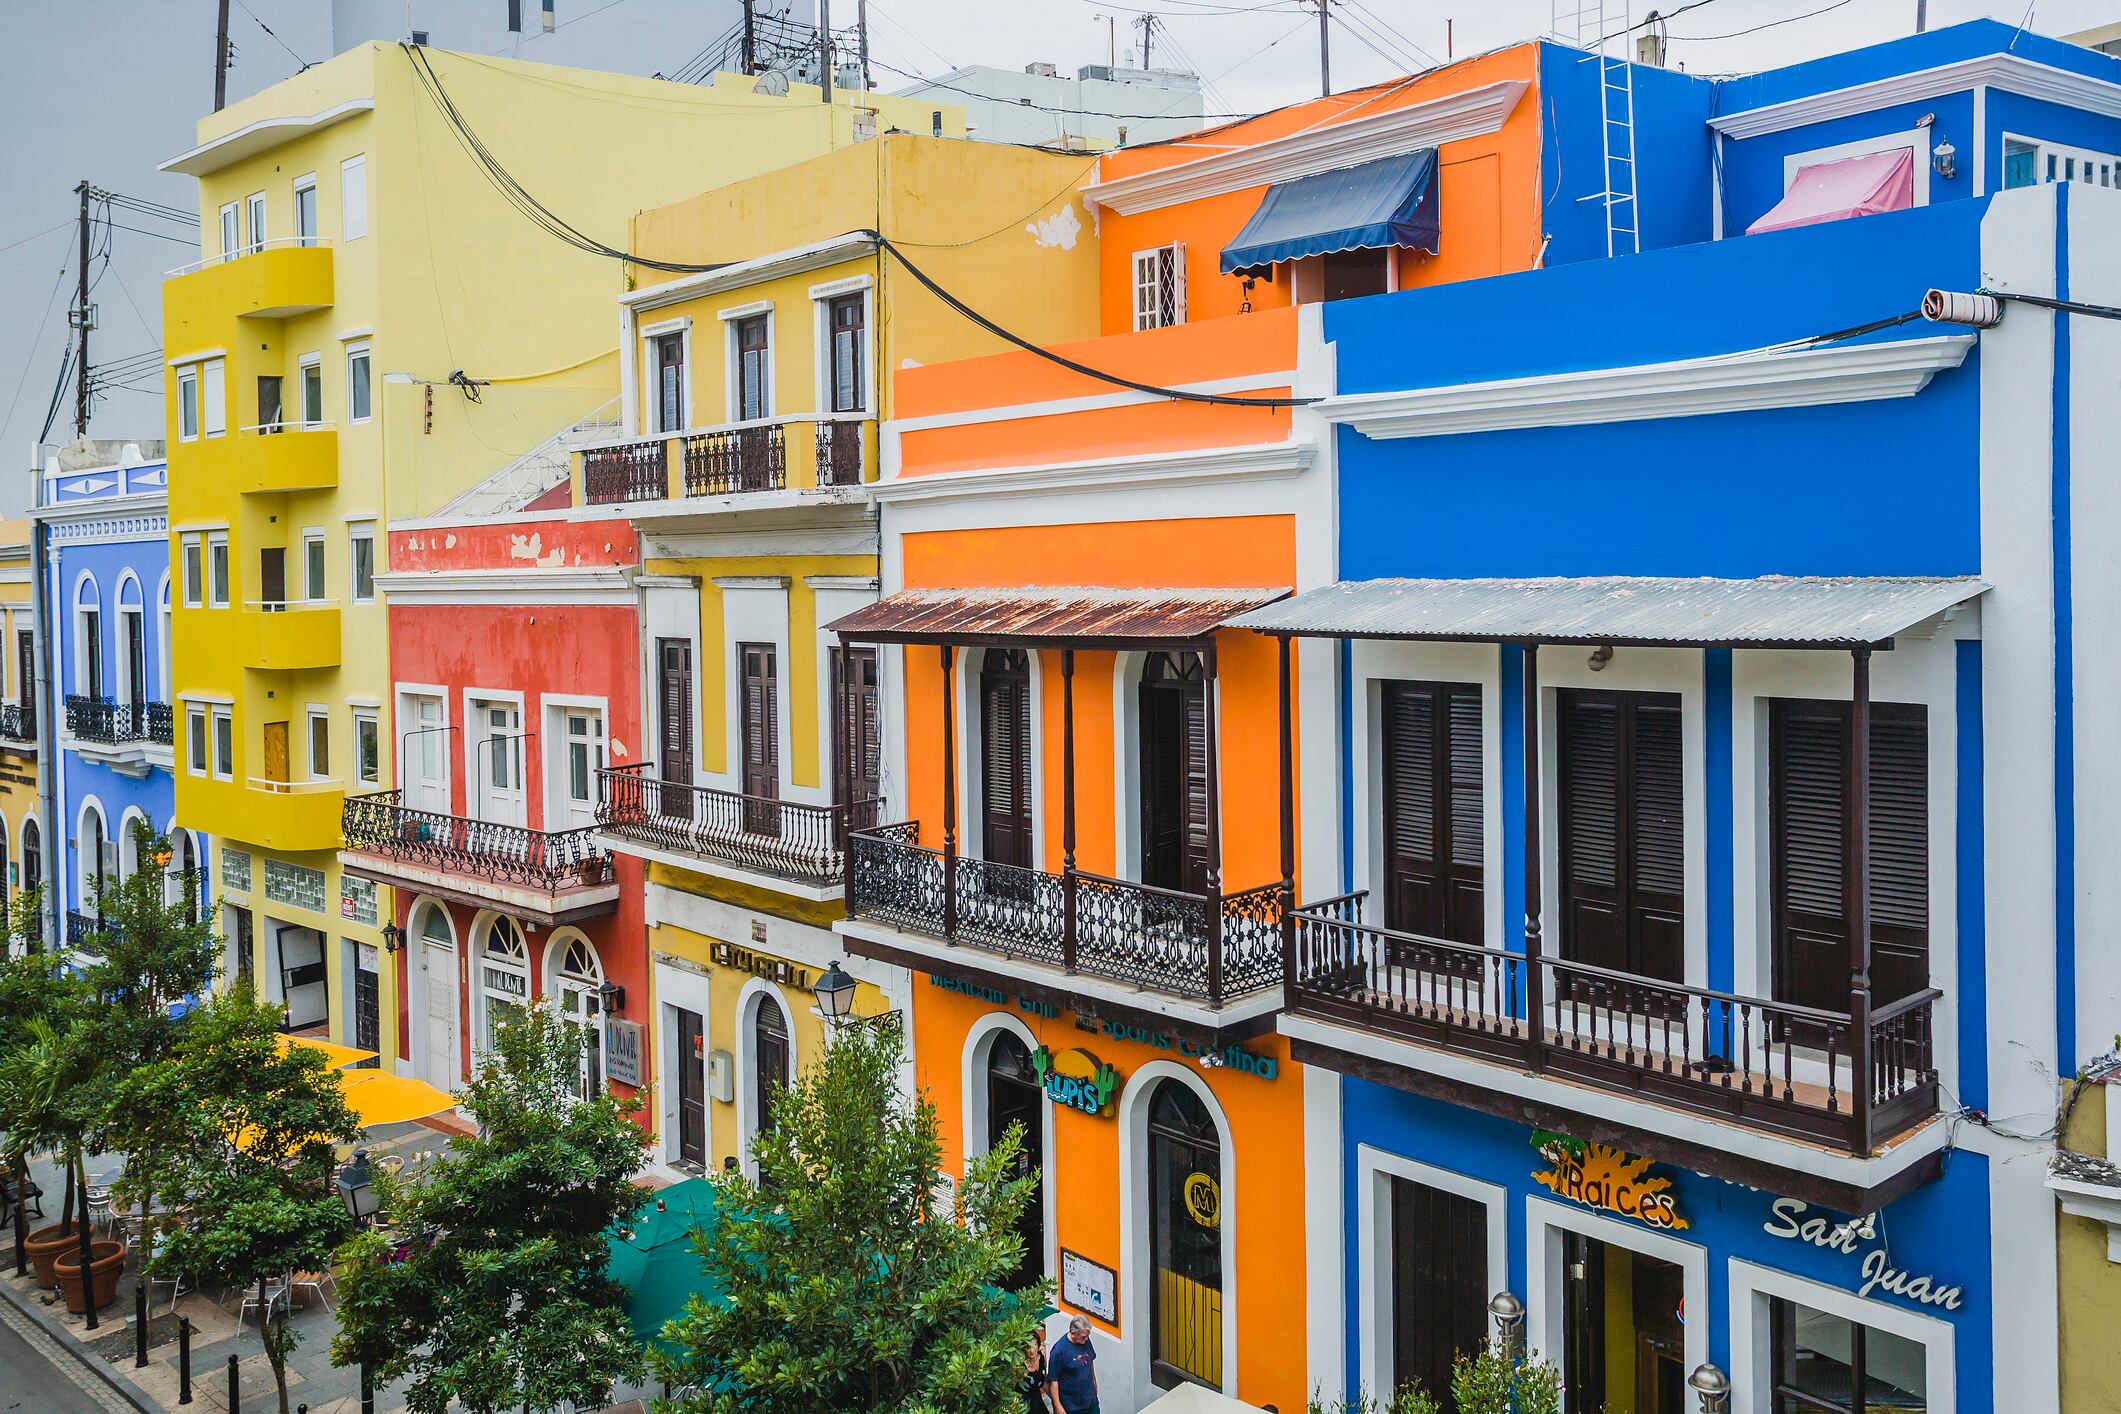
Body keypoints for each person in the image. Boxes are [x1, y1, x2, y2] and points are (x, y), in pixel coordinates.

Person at [1047, 1315, 1098, 1414]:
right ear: (1073, 1333)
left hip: (1091, 1403)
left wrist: (1094, 1385)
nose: (1086, 1339)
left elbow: (1090, 1363)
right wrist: (1058, 1406)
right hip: (1072, 1407)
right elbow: (1053, 1380)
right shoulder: (1059, 1351)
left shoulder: (1085, 1341)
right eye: (1083, 1337)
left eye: (1088, 1336)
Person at [1017, 1338, 1054, 1414]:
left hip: (1037, 1401)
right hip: (1022, 1404)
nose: (1032, 1350)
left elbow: (1043, 1382)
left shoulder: (1041, 1357)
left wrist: (1055, 1400)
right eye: (1028, 1347)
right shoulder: (1018, 1365)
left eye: (1034, 1345)